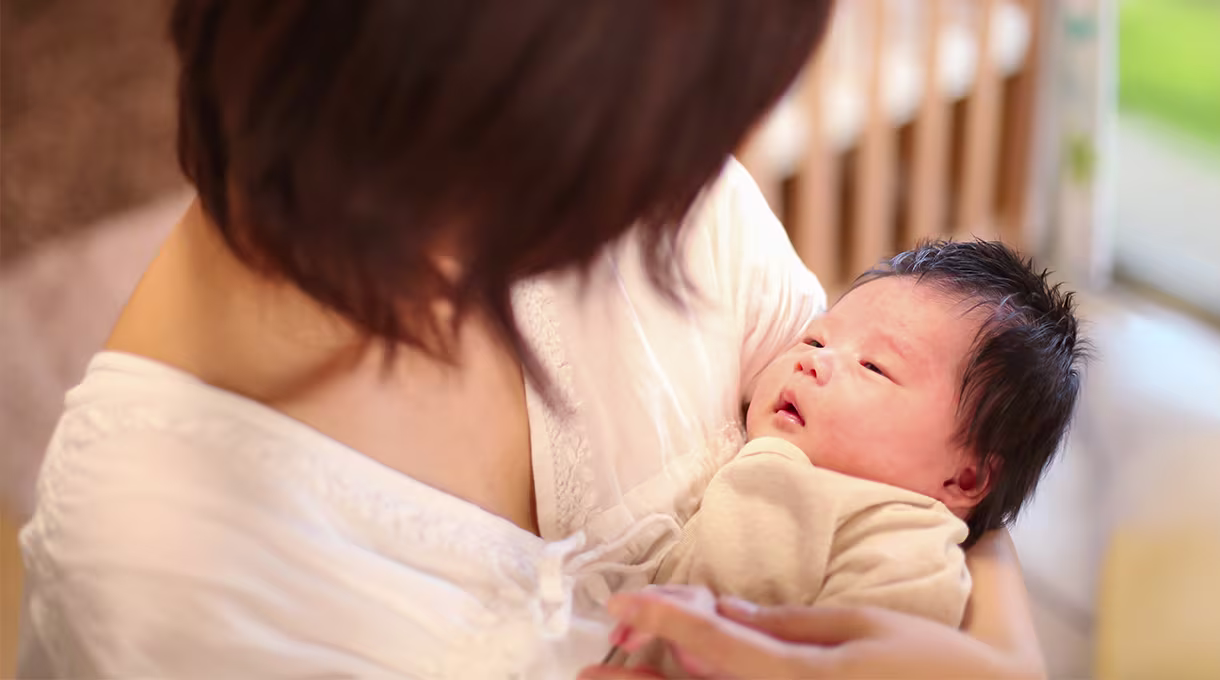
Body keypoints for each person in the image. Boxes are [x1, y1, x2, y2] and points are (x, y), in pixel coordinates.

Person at [16, 2, 1046, 678]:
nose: (706, 166)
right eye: (689, 121)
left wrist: (999, 648)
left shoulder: (675, 189)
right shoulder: (179, 576)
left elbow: (917, 447)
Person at [608, 241, 1085, 676]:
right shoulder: (774, 451)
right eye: (816, 340)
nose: (812, 361)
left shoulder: (903, 540)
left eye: (873, 366)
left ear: (964, 477)